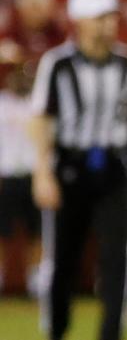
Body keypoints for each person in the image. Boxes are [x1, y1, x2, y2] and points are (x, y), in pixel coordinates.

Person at [30, 0, 127, 340]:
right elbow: (41, 118)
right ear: (81, 21)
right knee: (62, 259)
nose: (108, 24)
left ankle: (111, 333)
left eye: (111, 17)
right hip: (70, 167)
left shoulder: (126, 64)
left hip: (114, 168)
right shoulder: (57, 63)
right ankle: (56, 329)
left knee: (118, 258)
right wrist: (43, 172)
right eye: (100, 17)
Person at [0, 63, 42, 296]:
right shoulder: (2, 103)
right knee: (2, 230)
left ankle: (36, 282)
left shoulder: (38, 104)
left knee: (36, 232)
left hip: (33, 174)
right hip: (6, 174)